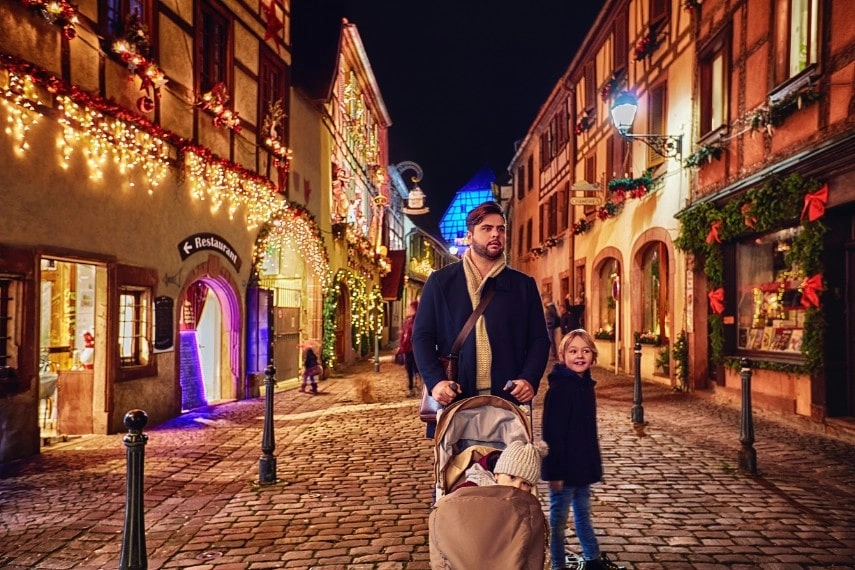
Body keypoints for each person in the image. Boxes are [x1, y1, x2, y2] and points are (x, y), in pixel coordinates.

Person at [412, 201, 551, 437]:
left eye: (501, 228)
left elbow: (539, 339)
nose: (496, 234)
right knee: (458, 472)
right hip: (457, 399)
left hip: (507, 401)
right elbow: (422, 337)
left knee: (507, 473)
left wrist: (529, 379)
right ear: (469, 236)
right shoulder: (441, 282)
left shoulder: (522, 285)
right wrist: (436, 383)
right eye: (487, 229)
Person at [542, 329, 624, 570]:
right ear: (562, 355)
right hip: (564, 470)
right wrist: (554, 472)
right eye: (573, 351)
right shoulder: (559, 390)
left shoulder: (585, 386)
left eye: (585, 351)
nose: (580, 356)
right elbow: (551, 434)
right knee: (557, 521)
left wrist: (593, 466)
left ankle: (592, 559)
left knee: (583, 515)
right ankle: (557, 564)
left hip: (582, 469)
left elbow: (588, 433)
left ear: (593, 356)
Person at [397, 300, 419, 397]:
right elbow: (403, 336)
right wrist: (401, 347)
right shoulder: (407, 321)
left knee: (417, 369)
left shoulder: (417, 322)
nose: (407, 309)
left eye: (410, 308)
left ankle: (418, 387)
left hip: (415, 350)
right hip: (407, 350)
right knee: (409, 369)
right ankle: (411, 387)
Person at [543, 293, 561, 360]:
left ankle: (553, 355)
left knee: (551, 340)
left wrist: (550, 323)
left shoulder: (551, 308)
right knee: (550, 340)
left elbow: (555, 317)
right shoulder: (549, 308)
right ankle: (552, 354)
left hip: (551, 326)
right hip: (549, 326)